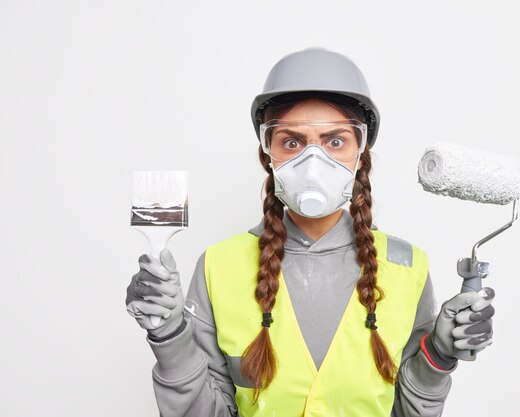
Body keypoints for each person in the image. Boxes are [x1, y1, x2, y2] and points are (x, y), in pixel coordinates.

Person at [126, 47, 495, 417]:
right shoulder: (219, 266)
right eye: (292, 141)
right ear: (267, 154)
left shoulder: (407, 267)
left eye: (335, 141)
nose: (313, 160)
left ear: (360, 155)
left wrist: (439, 356)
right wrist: (169, 335)